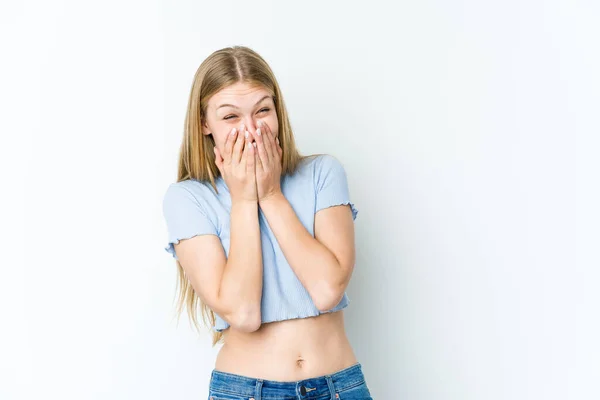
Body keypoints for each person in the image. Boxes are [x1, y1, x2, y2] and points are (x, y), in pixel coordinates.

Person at [162, 46, 373, 400]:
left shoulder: (322, 174)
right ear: (204, 123)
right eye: (230, 117)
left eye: (263, 110)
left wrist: (271, 194)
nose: (251, 129)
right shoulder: (188, 198)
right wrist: (244, 199)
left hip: (339, 387)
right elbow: (243, 313)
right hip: (246, 391)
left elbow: (326, 290)